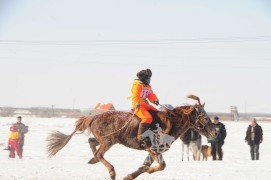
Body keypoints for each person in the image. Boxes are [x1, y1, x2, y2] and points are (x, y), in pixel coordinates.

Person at [130, 69, 159, 147]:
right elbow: (135, 95)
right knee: (147, 117)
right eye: (148, 78)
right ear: (143, 78)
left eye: (150, 78)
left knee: (158, 114)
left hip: (146, 104)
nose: (149, 80)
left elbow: (151, 95)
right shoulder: (137, 85)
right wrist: (136, 103)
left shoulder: (147, 86)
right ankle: (140, 136)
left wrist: (155, 100)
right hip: (138, 105)